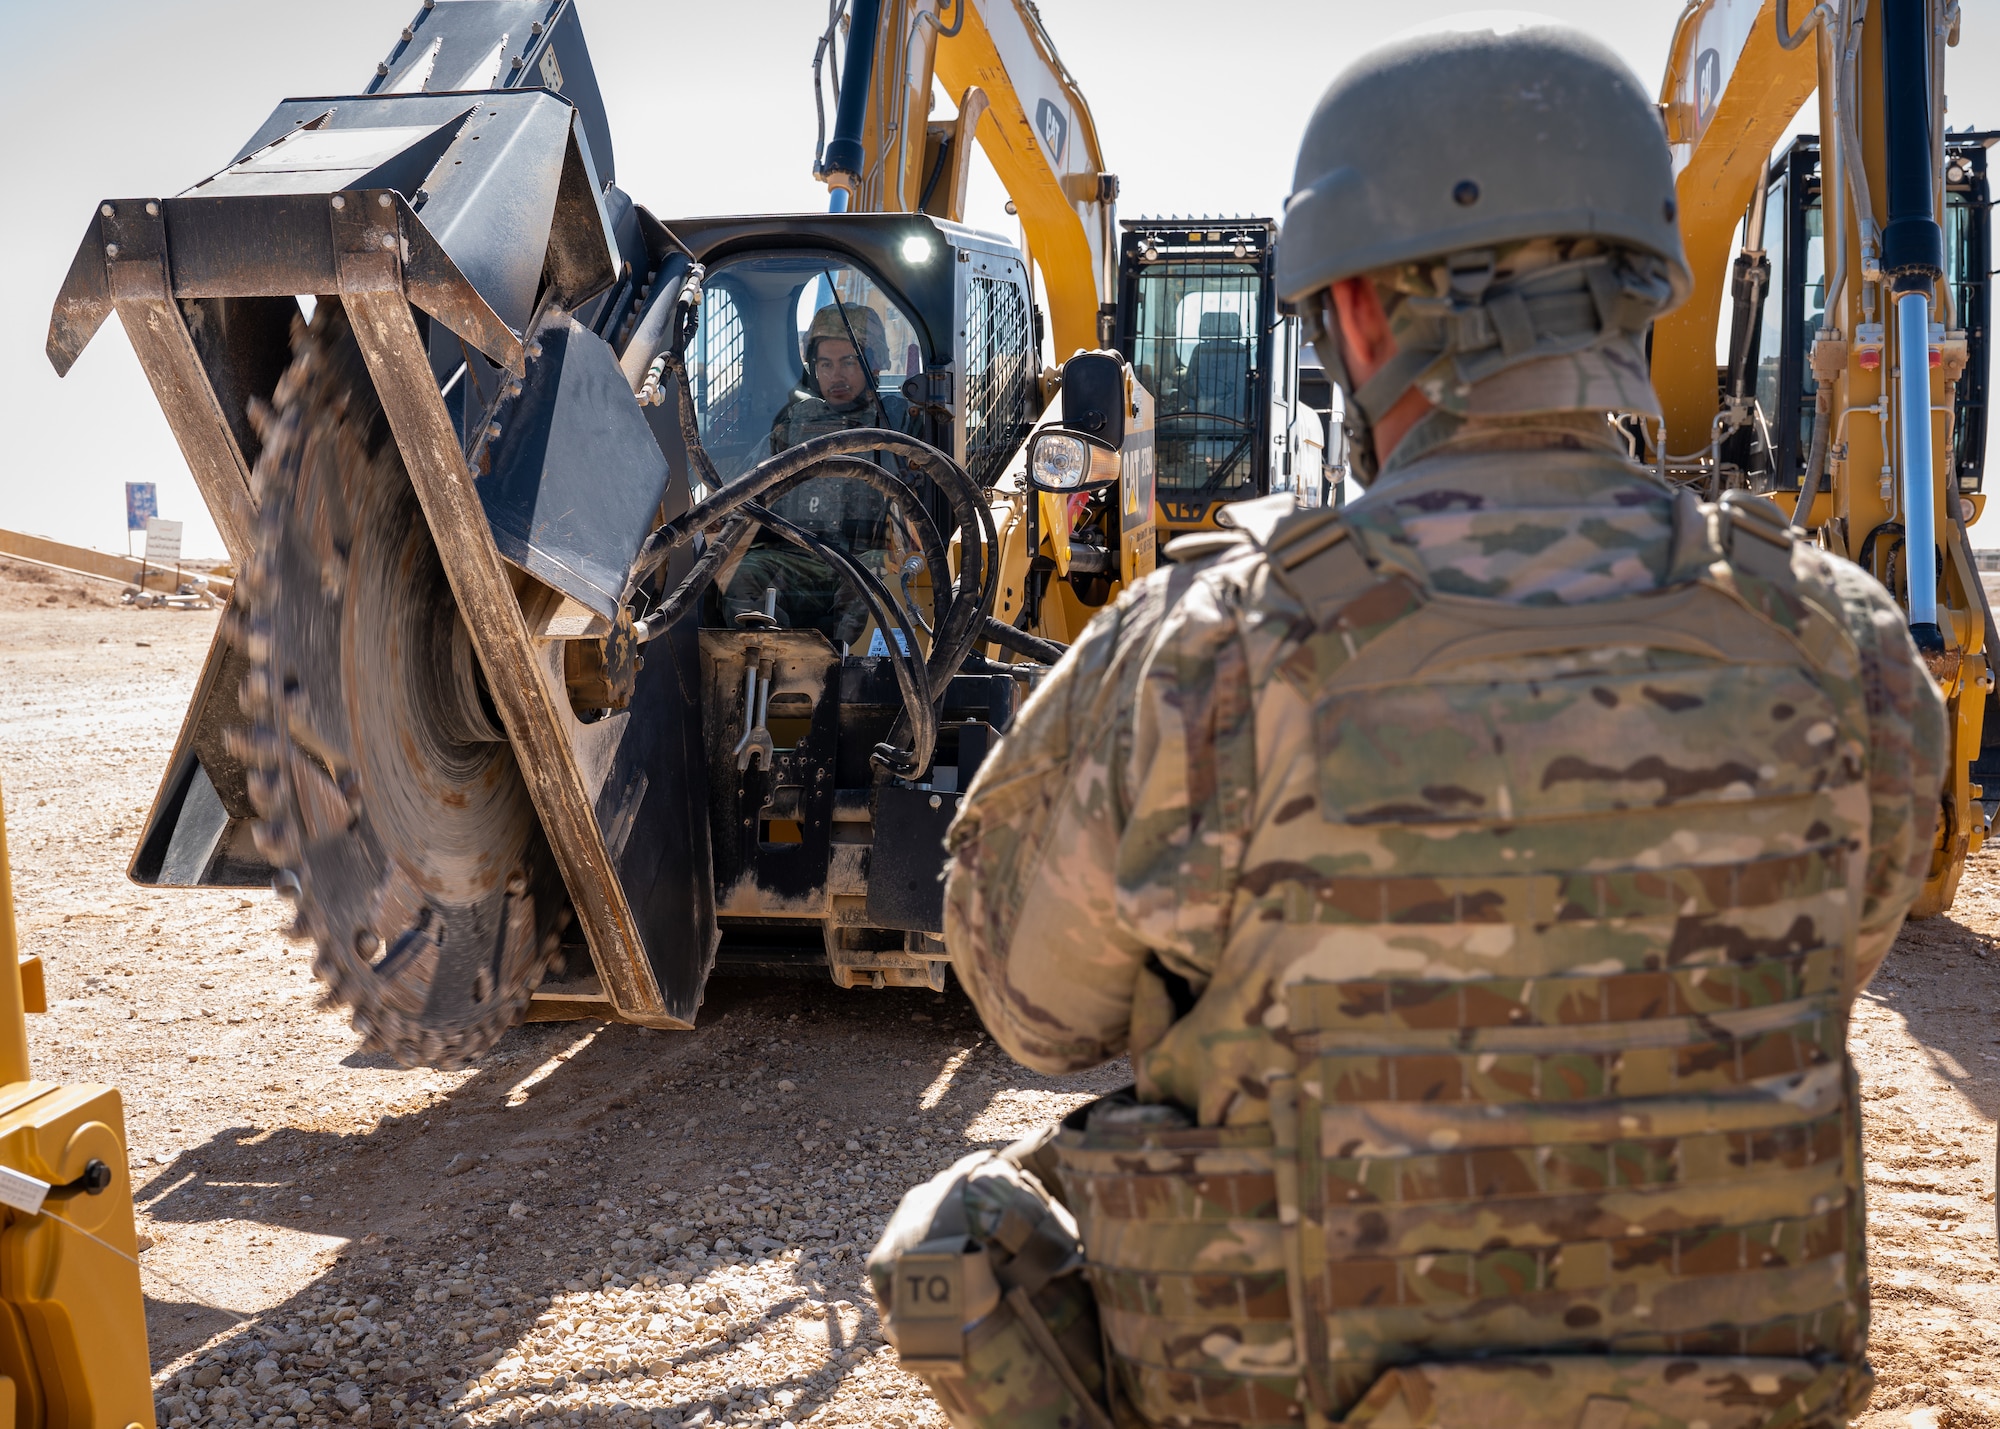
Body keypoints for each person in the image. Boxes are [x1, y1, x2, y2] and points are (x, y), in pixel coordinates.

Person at [872, 17, 1947, 1429]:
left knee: (960, 1241)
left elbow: (1031, 1003)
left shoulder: (1212, 651)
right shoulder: (1840, 641)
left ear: (1362, 315)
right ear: (1640, 291)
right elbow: (1842, 941)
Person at [722, 301, 914, 644]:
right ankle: (774, 656)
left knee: (868, 584)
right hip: (799, 559)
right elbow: (743, 486)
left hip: (867, 560)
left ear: (876, 362)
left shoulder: (899, 423)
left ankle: (839, 671)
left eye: (848, 362)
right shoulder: (795, 423)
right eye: (825, 364)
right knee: (743, 576)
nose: (835, 376)